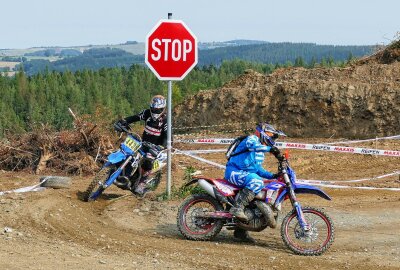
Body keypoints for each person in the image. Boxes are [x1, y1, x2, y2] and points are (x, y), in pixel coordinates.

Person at [224, 122, 284, 241]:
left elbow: (258, 169)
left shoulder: (260, 153)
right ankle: (237, 207)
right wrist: (271, 149)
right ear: (263, 133)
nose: (272, 138)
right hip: (234, 172)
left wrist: (273, 175)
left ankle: (241, 231)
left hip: (244, 174)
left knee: (258, 192)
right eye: (271, 135)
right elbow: (254, 146)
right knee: (257, 182)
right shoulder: (251, 139)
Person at [115, 95, 167, 195]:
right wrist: (124, 121)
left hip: (155, 147)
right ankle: (122, 172)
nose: (155, 112)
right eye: (153, 109)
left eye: (158, 110)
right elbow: (135, 117)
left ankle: (142, 183)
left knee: (148, 162)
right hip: (143, 142)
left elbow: (168, 137)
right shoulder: (147, 113)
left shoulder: (165, 120)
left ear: (162, 109)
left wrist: (161, 146)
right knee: (128, 152)